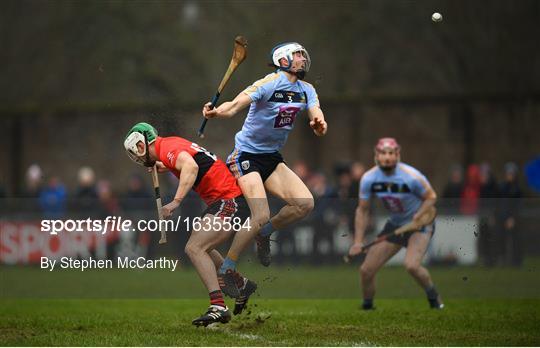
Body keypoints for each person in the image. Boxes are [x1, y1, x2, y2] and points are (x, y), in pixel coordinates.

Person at [202, 42, 328, 268]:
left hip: (271, 157)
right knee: (260, 214)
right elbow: (233, 106)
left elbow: (317, 115)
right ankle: (228, 266)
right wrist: (216, 112)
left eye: (303, 54)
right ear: (283, 60)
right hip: (246, 155)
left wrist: (320, 125)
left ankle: (264, 234)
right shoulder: (267, 83)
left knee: (305, 204)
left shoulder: (306, 89)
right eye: (297, 55)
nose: (303, 58)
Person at [123, 122, 257, 326]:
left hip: (229, 200)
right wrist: (164, 166)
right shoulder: (168, 146)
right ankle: (240, 284)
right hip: (223, 200)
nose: (138, 159)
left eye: (137, 153)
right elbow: (185, 159)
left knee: (195, 248)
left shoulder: (167, 148)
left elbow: (191, 166)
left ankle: (218, 306)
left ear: (142, 145)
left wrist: (176, 201)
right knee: (200, 244)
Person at [348, 138, 443, 310]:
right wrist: (358, 241)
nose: (387, 157)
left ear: (397, 155)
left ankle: (434, 297)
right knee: (366, 270)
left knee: (412, 266)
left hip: (419, 225)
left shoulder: (411, 176)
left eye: (391, 153)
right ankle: (368, 307)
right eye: (383, 153)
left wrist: (419, 215)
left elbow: (431, 197)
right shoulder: (369, 179)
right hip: (395, 224)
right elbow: (362, 210)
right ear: (376, 155)